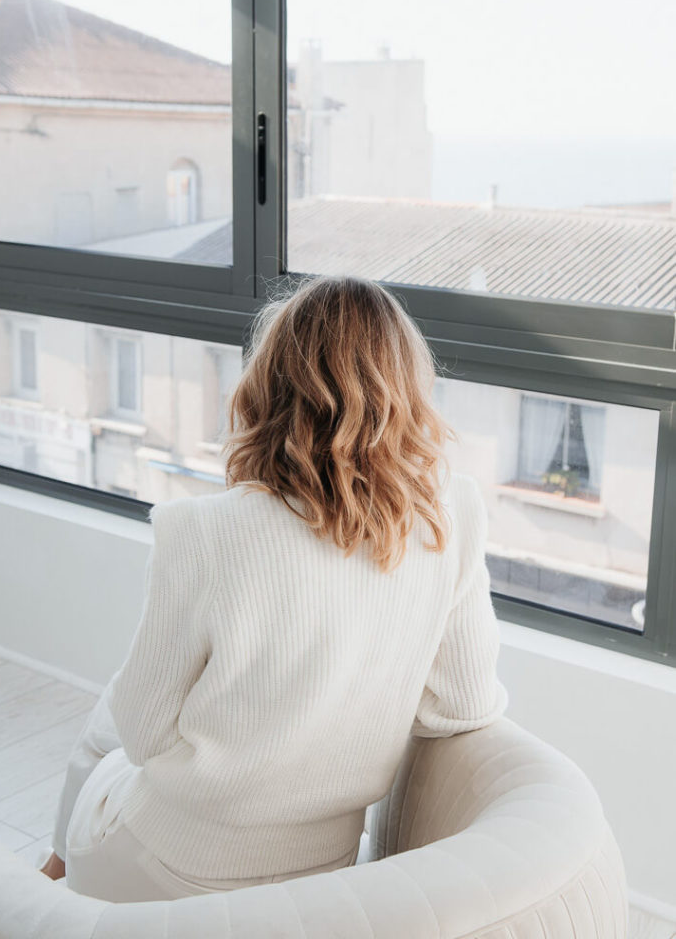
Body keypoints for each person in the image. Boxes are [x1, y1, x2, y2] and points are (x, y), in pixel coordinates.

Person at [40, 274, 508, 901]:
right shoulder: (452, 515)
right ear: (405, 389)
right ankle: (54, 877)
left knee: (110, 719)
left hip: (167, 864)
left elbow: (143, 736)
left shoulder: (200, 530)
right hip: (318, 871)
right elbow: (464, 705)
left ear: (271, 384)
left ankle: (52, 879)